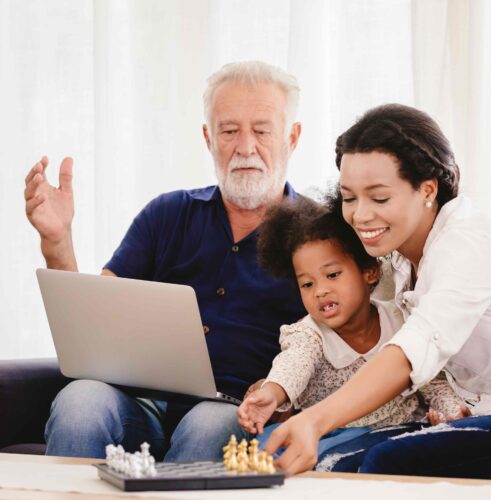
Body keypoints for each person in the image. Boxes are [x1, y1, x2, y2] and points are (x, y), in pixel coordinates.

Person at [261, 103, 491, 480]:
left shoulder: (467, 243)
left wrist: (314, 421)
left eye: (379, 198)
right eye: (349, 198)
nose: (360, 215)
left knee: (388, 463)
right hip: (489, 412)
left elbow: (411, 350)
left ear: (427, 189)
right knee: (337, 465)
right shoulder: (398, 254)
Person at [24, 61, 308, 461]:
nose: (245, 147)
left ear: (291, 138)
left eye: (262, 131)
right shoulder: (167, 214)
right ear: (208, 137)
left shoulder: (316, 235)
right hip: (139, 402)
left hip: (234, 411)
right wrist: (58, 241)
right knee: (80, 401)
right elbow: (95, 325)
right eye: (229, 131)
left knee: (209, 426)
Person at [237, 197, 466, 460]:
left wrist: (452, 413)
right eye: (307, 284)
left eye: (332, 275)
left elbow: (433, 384)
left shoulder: (401, 321)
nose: (320, 291)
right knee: (270, 450)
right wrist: (271, 393)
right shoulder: (308, 334)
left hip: (398, 432)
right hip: (331, 436)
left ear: (369, 272)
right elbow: (292, 365)